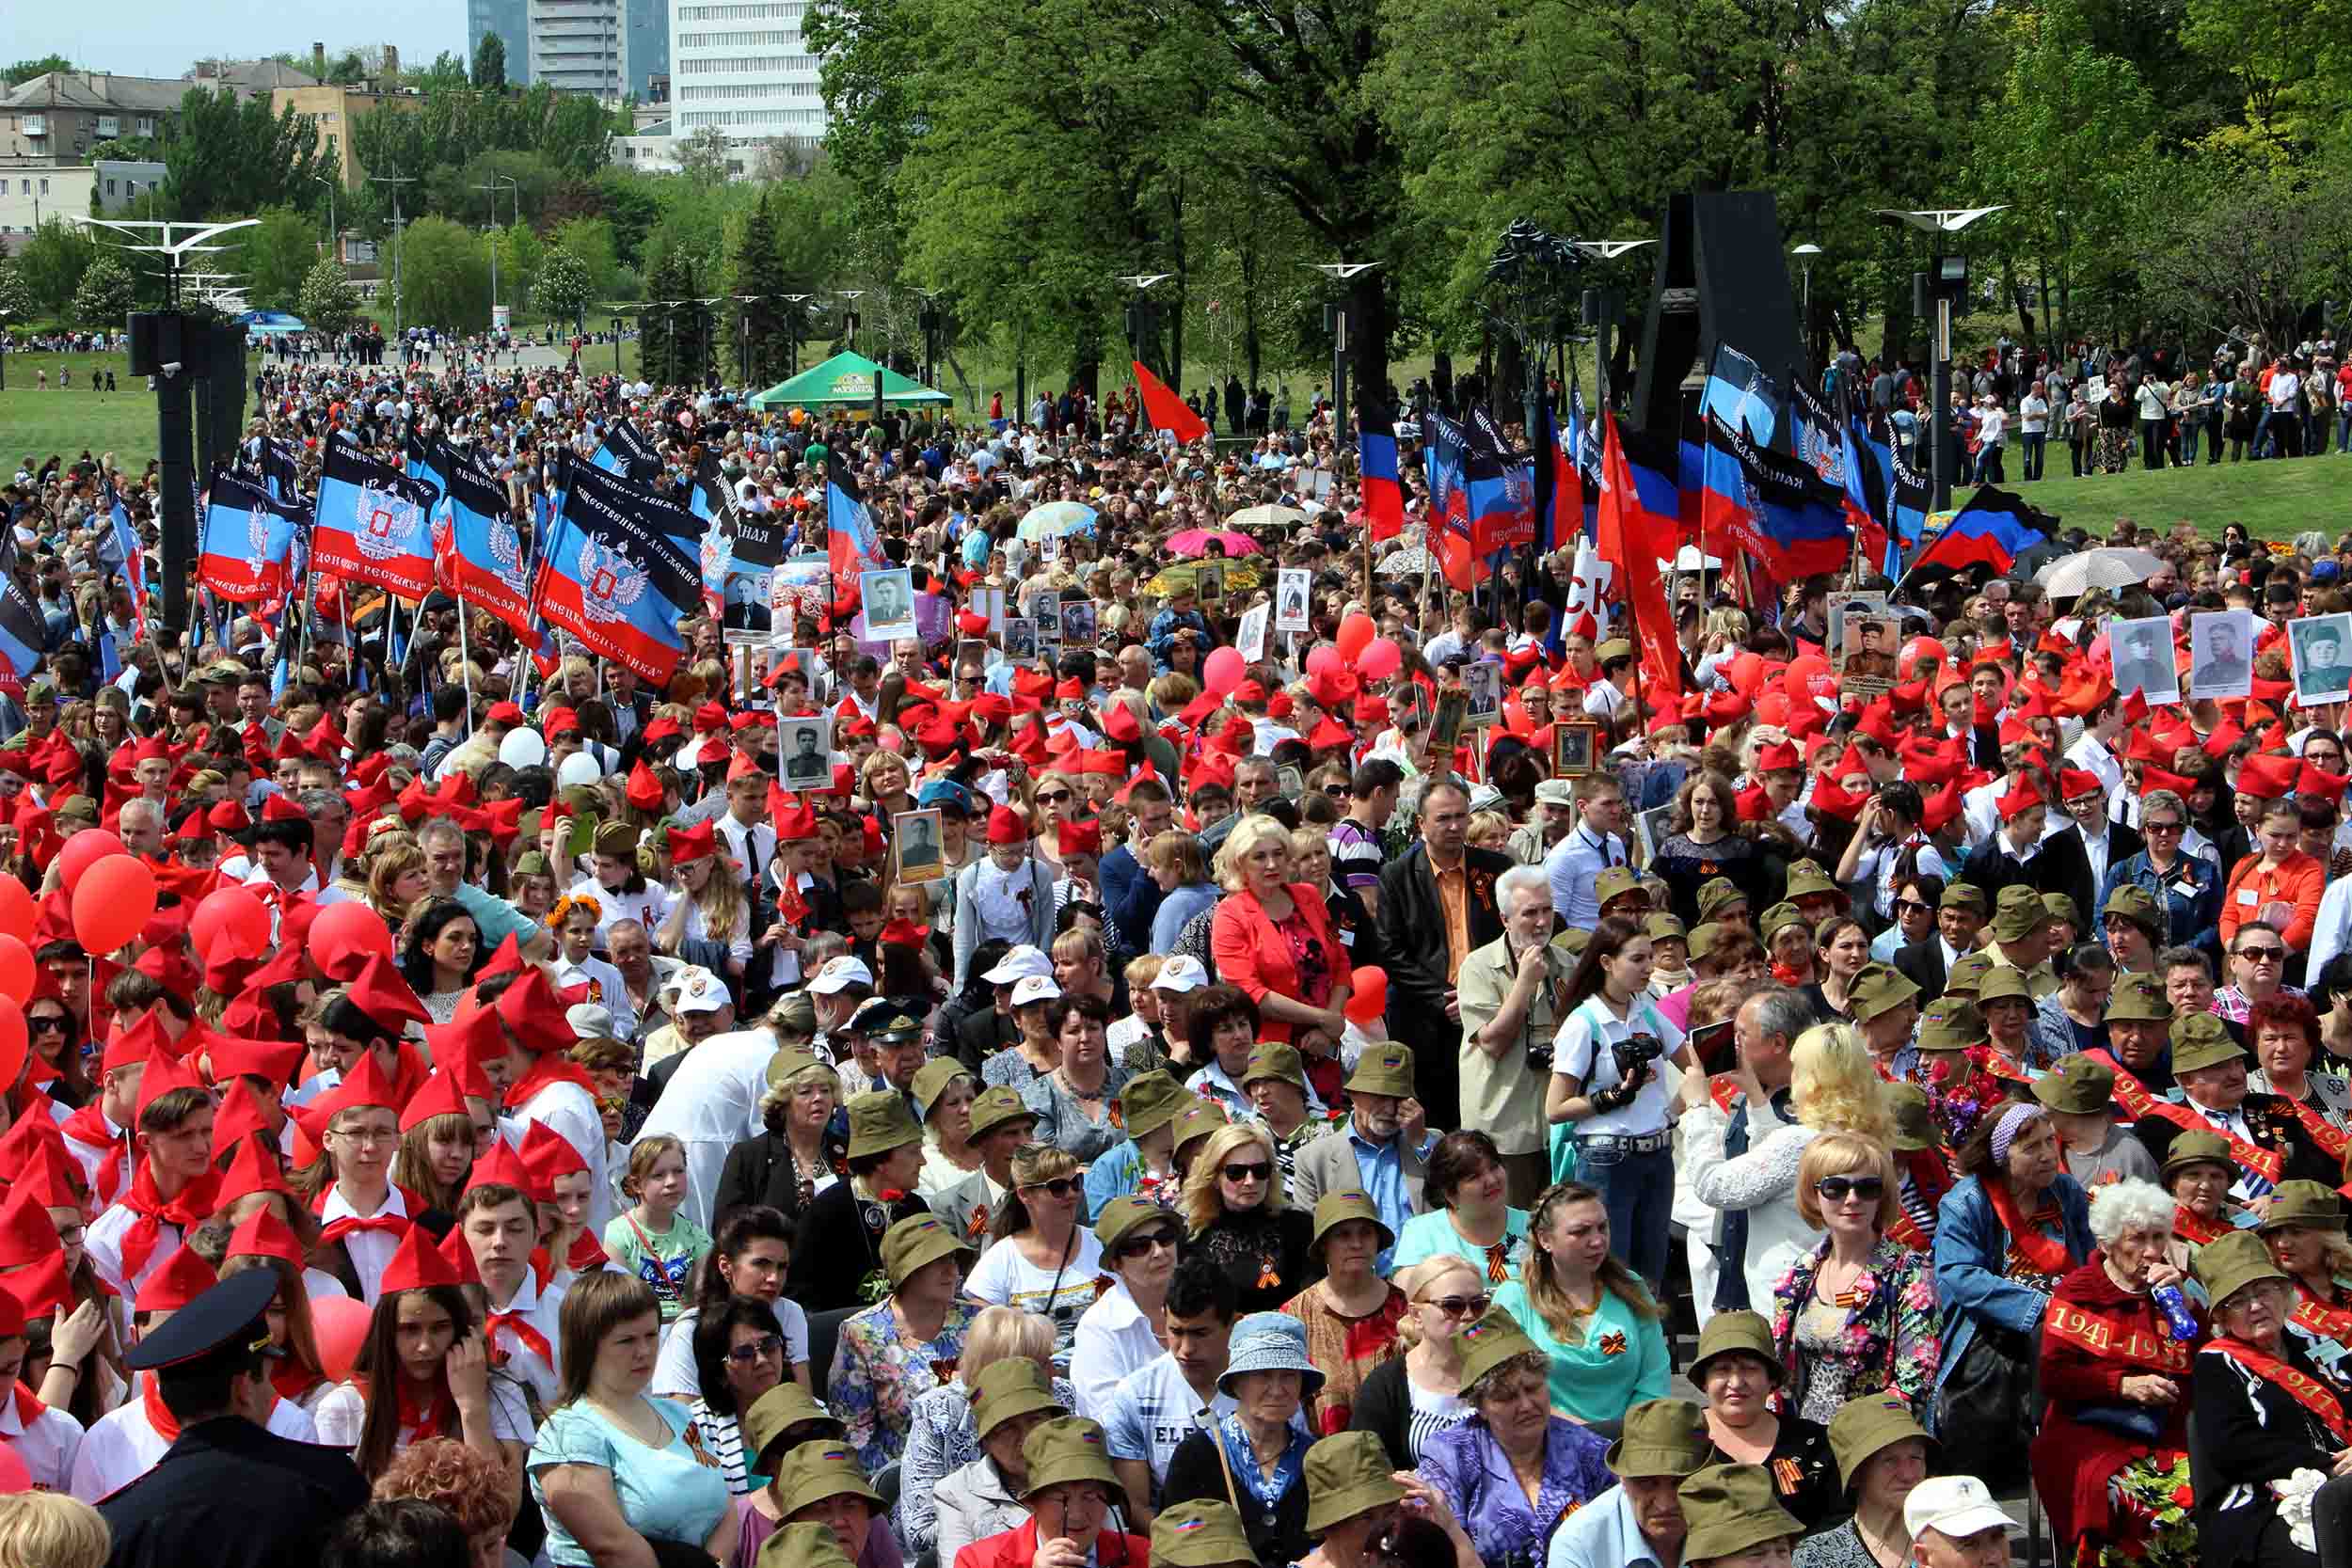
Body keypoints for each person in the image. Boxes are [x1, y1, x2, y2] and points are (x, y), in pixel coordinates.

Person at [93, 1269, 371, 1568]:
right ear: (243, 1389)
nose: (271, 1393)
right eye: (265, 1379)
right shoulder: (330, 1484)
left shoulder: (120, 1524)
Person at [2029, 1177, 2196, 1568]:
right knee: (2136, 1505)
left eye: (2159, 1238)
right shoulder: (2078, 1291)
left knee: (2216, 1496)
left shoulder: (2176, 1291)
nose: (2152, 1252)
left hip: (2169, 1432)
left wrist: (2189, 1304)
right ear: (2106, 1243)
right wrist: (2123, 1385)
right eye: (2137, 1239)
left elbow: (2208, 1363)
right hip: (2089, 1430)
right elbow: (2055, 1377)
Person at [1931, 1102, 2092, 1486]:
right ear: (2002, 1157)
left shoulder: (2065, 1191)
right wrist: (2039, 1305)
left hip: (2066, 1319)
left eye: (2050, 1142)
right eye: (2032, 1147)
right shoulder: (1967, 1202)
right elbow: (1959, 1275)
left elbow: (2088, 1258)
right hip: (1991, 1329)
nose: (2048, 1155)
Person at [1544, 916, 1694, 1290]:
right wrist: (1612, 1096)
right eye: (1638, 959)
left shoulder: (1647, 1011)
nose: (1649, 968)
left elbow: (1693, 1064)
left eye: (1650, 958)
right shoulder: (1584, 1023)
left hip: (1656, 1155)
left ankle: (1651, 1343)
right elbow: (1555, 1108)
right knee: (1612, 1273)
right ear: (1607, 962)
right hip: (1607, 1159)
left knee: (1651, 1273)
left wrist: (1671, 1112)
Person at [2187, 1229, 2352, 1568]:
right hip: (2261, 1503)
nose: (2257, 1305)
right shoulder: (2215, 1364)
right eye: (2239, 1300)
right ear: (2221, 1316)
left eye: (2263, 1290)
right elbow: (2234, 1448)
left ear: (2283, 1292)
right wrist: (2328, 1463)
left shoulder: (2313, 1346)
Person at [1415, 1303, 1611, 1568]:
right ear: (1480, 1407)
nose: (1527, 1405)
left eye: (1533, 1388)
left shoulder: (1588, 1450)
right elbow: (1436, 1551)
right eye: (1506, 1397)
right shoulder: (1450, 1456)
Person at [1766, 1132, 1940, 1425]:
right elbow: (1778, 1375)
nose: (1852, 1199)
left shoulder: (1910, 1273)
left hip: (1875, 1443)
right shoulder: (1798, 1275)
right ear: (1813, 1194)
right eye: (1835, 1188)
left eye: (1867, 1187)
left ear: (1882, 1195)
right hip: (1803, 1444)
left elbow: (1915, 1383)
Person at [1489, 1181, 1668, 1426]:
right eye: (1580, 1232)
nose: (1597, 1241)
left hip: (1630, 1442)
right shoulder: (1515, 1298)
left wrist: (1627, 1437)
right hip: (1547, 1439)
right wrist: (1584, 1436)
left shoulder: (1631, 1286)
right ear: (1545, 1240)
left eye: (1602, 1228)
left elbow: (1654, 1378)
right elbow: (1508, 1389)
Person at [899, 1307, 1073, 1560]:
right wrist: (1015, 1523)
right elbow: (920, 1532)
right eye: (1042, 1364)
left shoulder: (1060, 1395)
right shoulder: (938, 1410)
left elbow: (1082, 1479)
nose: (1054, 1373)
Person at [1159, 1312, 1321, 1566]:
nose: (1277, 1390)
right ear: (1236, 1383)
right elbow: (1174, 1549)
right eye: (1263, 1375)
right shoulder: (1196, 1456)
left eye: (1289, 1375)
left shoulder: (1317, 1458)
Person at [1457, 867, 1574, 1208]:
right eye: (1530, 913)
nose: (1541, 922)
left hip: (1557, 1128)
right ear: (1506, 919)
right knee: (1511, 1229)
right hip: (1505, 1128)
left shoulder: (1567, 963)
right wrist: (1524, 983)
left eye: (1547, 910)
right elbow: (1492, 1043)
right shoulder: (1478, 967)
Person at [829, 1213, 980, 1473]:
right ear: (907, 1271)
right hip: (901, 1480)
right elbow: (854, 1435)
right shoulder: (862, 1334)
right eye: (937, 1261)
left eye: (952, 1259)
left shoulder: (975, 1321)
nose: (952, 1271)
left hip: (979, 1472)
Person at [1210, 815, 1351, 1050]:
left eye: (1278, 853)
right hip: (1271, 1052)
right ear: (1240, 862)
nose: (1272, 864)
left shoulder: (1309, 896)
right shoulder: (1229, 915)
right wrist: (1322, 1018)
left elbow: (1341, 962)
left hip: (1324, 1046)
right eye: (1260, 857)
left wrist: (1329, 1025)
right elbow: (1251, 994)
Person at [1290, 1045, 1430, 1269]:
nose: (1389, 1108)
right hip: (1352, 1286)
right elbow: (1307, 1240)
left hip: (1423, 1280)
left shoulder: (1428, 1144)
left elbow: (1452, 1205)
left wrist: (1419, 1143)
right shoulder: (1314, 1159)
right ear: (1353, 1095)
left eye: (1398, 1098)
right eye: (1379, 1096)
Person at [1281, 1192, 1408, 1434]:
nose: (1357, 1243)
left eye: (1366, 1233)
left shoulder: (1404, 1307)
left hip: (1394, 1459)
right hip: (1323, 1458)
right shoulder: (1295, 1315)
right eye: (1343, 1234)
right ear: (1324, 1246)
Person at [949, 1415, 1150, 1568]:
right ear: (1031, 1502)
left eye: (1090, 1496)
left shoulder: (1144, 1556)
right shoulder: (979, 1561)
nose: (1077, 1514)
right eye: (1061, 1499)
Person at [962, 1145, 1104, 1360]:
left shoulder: (1100, 1245)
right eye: (1058, 1187)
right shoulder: (1000, 1260)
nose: (1072, 1194)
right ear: (1025, 1195)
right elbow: (983, 1340)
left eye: (1076, 1183)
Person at [1345, 1257, 1484, 1470]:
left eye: (1478, 1305)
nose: (1468, 1316)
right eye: (1452, 1306)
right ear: (1417, 1314)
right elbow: (1365, 1472)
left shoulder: (1502, 1373)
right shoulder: (1386, 1385)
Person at [932, 1358, 1063, 1566]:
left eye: (1035, 1420)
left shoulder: (1081, 1474)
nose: (1026, 1437)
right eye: (1007, 1428)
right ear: (986, 1441)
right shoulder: (956, 1493)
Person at [1181, 1122, 1315, 1315]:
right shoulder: (1193, 1239)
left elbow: (1312, 1301)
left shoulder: (1299, 1227)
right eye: (1236, 1172)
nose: (1250, 1181)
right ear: (1214, 1178)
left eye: (1260, 1170)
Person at [1296, 1430, 1481, 1568]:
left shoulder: (1410, 1558)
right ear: (1330, 1526)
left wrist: (1449, 1527)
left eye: (1391, 1511)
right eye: (1366, 1517)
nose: (1383, 1527)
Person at [1788, 1393, 1933, 1568]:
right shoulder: (1818, 1557)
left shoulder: (1951, 1540)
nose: (1908, 1474)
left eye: (1916, 1458)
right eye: (1890, 1461)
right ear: (1856, 1475)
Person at [1072, 1196, 1184, 1421]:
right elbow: (1110, 1421)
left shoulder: (1206, 1302)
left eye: (1165, 1238)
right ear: (1116, 1264)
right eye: (1140, 1247)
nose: (1159, 1252)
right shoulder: (1099, 1327)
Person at [1390, 1130, 1532, 1283]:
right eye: (1474, 1177)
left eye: (1494, 1167)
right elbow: (1407, 1295)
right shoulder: (1421, 1233)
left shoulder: (1534, 1226)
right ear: (1450, 1193)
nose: (1491, 1180)